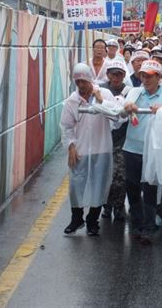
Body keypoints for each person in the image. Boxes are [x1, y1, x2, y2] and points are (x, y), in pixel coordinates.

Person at [123, 60, 162, 243]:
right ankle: (137, 224)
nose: (145, 79)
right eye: (143, 75)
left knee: (150, 188)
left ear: (158, 77)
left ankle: (148, 227)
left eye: (150, 76)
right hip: (131, 147)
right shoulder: (135, 92)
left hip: (152, 150)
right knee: (132, 187)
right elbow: (121, 112)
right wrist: (126, 107)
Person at [60, 63, 116, 236]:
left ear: (91, 79)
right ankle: (77, 218)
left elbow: (116, 116)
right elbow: (66, 126)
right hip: (80, 149)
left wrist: (100, 100)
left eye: (84, 81)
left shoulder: (105, 94)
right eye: (78, 82)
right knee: (77, 184)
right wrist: (70, 146)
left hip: (102, 148)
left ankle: (93, 221)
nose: (82, 86)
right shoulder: (72, 101)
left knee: (99, 185)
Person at [100, 60, 131, 221]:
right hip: (103, 140)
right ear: (108, 75)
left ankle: (119, 207)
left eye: (119, 74)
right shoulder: (100, 90)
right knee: (105, 176)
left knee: (120, 176)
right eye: (113, 73)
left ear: (124, 75)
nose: (116, 77)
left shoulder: (130, 91)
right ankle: (106, 206)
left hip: (123, 141)